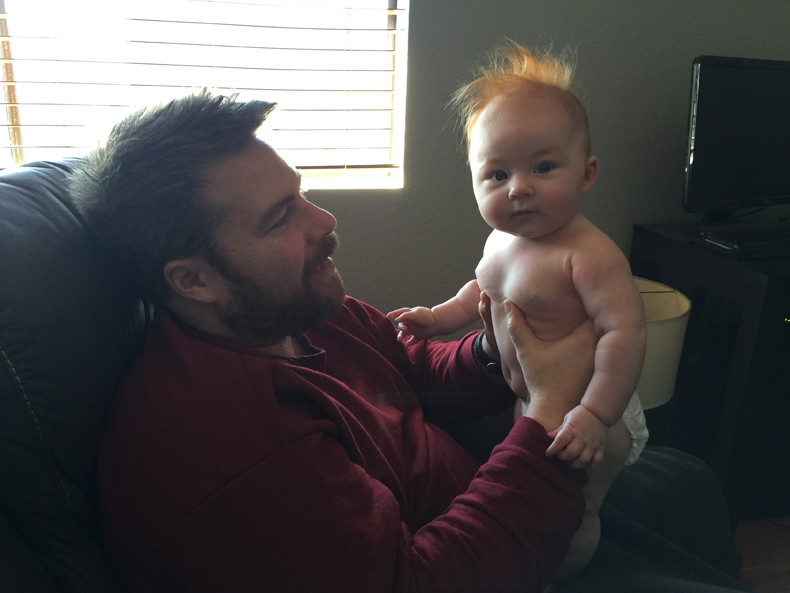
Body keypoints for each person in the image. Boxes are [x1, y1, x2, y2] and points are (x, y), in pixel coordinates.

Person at [70, 89, 602, 593]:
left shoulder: (288, 310)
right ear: (192, 280)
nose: (324, 220)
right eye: (280, 218)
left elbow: (409, 373)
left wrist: (492, 352)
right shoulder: (229, 455)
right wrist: (550, 411)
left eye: (300, 194)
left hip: (504, 509)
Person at [387, 44, 648, 581]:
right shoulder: (501, 241)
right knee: (539, 495)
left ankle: (564, 572)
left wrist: (594, 415)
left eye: (543, 167)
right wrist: (437, 319)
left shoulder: (588, 255)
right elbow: (482, 291)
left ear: (587, 174)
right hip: (532, 397)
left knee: (576, 508)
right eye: (497, 174)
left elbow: (624, 333)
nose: (520, 188)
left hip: (600, 404)